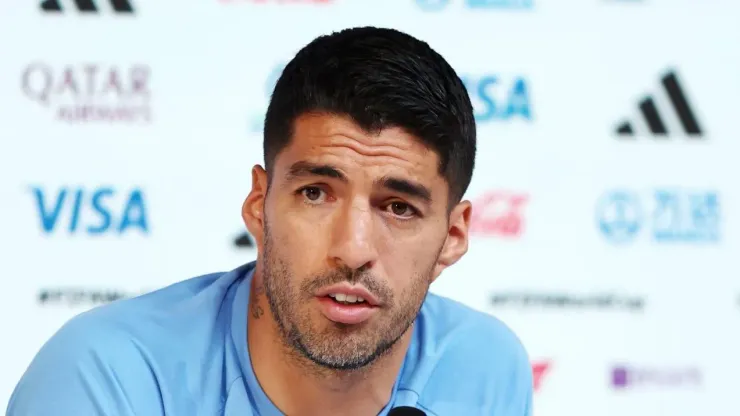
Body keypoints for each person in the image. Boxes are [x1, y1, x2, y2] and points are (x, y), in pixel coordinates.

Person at [7, 27, 533, 416]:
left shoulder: (486, 367)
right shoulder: (107, 374)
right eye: (315, 193)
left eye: (398, 207)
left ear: (454, 235)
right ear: (259, 205)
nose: (352, 250)